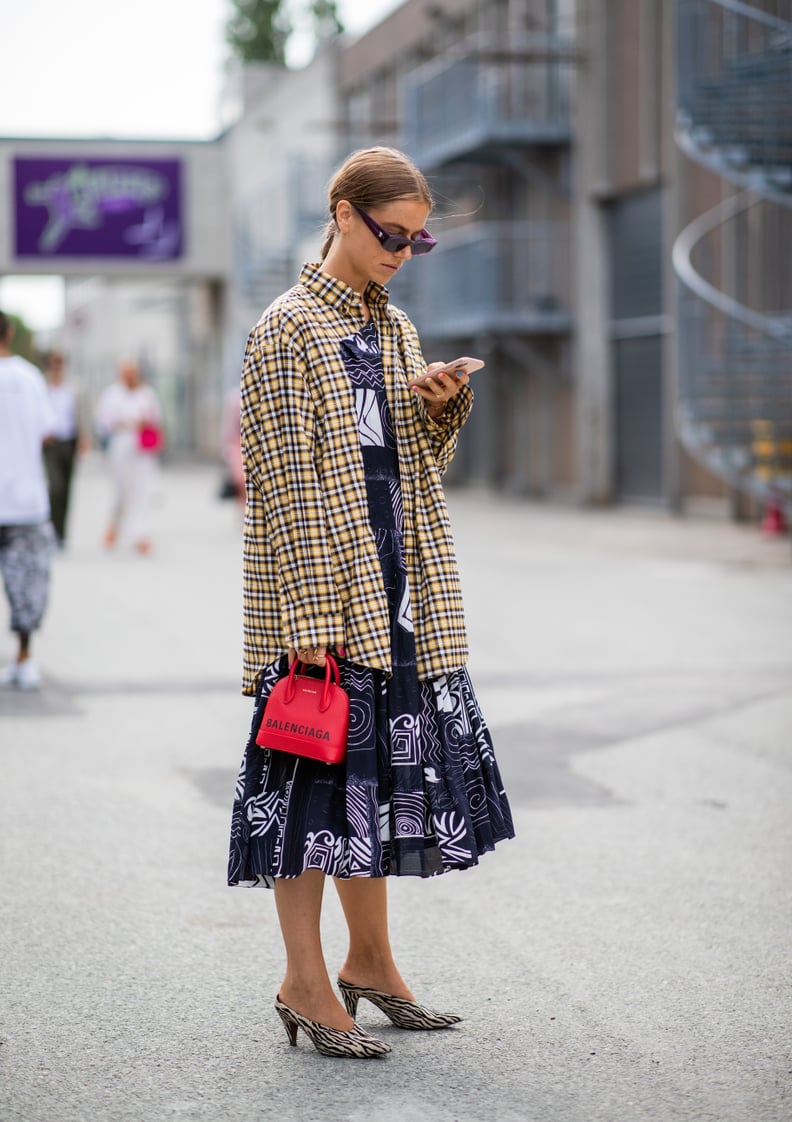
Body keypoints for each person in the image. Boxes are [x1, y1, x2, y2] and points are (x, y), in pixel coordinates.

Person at [227, 147, 514, 1059]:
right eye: (390, 233)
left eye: (416, 239)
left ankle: (372, 964)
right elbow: (281, 485)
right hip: (322, 597)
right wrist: (310, 625)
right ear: (342, 215)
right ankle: (305, 983)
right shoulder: (285, 328)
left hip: (397, 589)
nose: (401, 251)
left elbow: (413, 472)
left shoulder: (394, 332)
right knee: (312, 790)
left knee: (372, 792)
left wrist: (438, 408)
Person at [0, 311, 56, 690]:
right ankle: (23, 658)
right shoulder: (28, 377)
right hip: (25, 500)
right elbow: (47, 431)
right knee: (27, 584)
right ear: (11, 333)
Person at [94, 360, 163, 555]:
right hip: (121, 448)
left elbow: (156, 420)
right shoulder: (111, 395)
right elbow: (103, 423)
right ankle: (114, 526)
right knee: (122, 491)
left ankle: (141, 535)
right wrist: (125, 423)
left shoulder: (147, 394)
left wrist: (144, 423)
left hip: (142, 449)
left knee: (143, 490)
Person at [42, 349, 89, 548]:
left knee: (66, 489)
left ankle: (61, 534)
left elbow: (81, 414)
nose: (57, 366)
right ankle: (51, 530)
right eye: (54, 362)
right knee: (55, 487)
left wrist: (84, 438)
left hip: (69, 441)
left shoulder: (73, 387)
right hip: (50, 443)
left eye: (60, 362)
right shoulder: (42, 386)